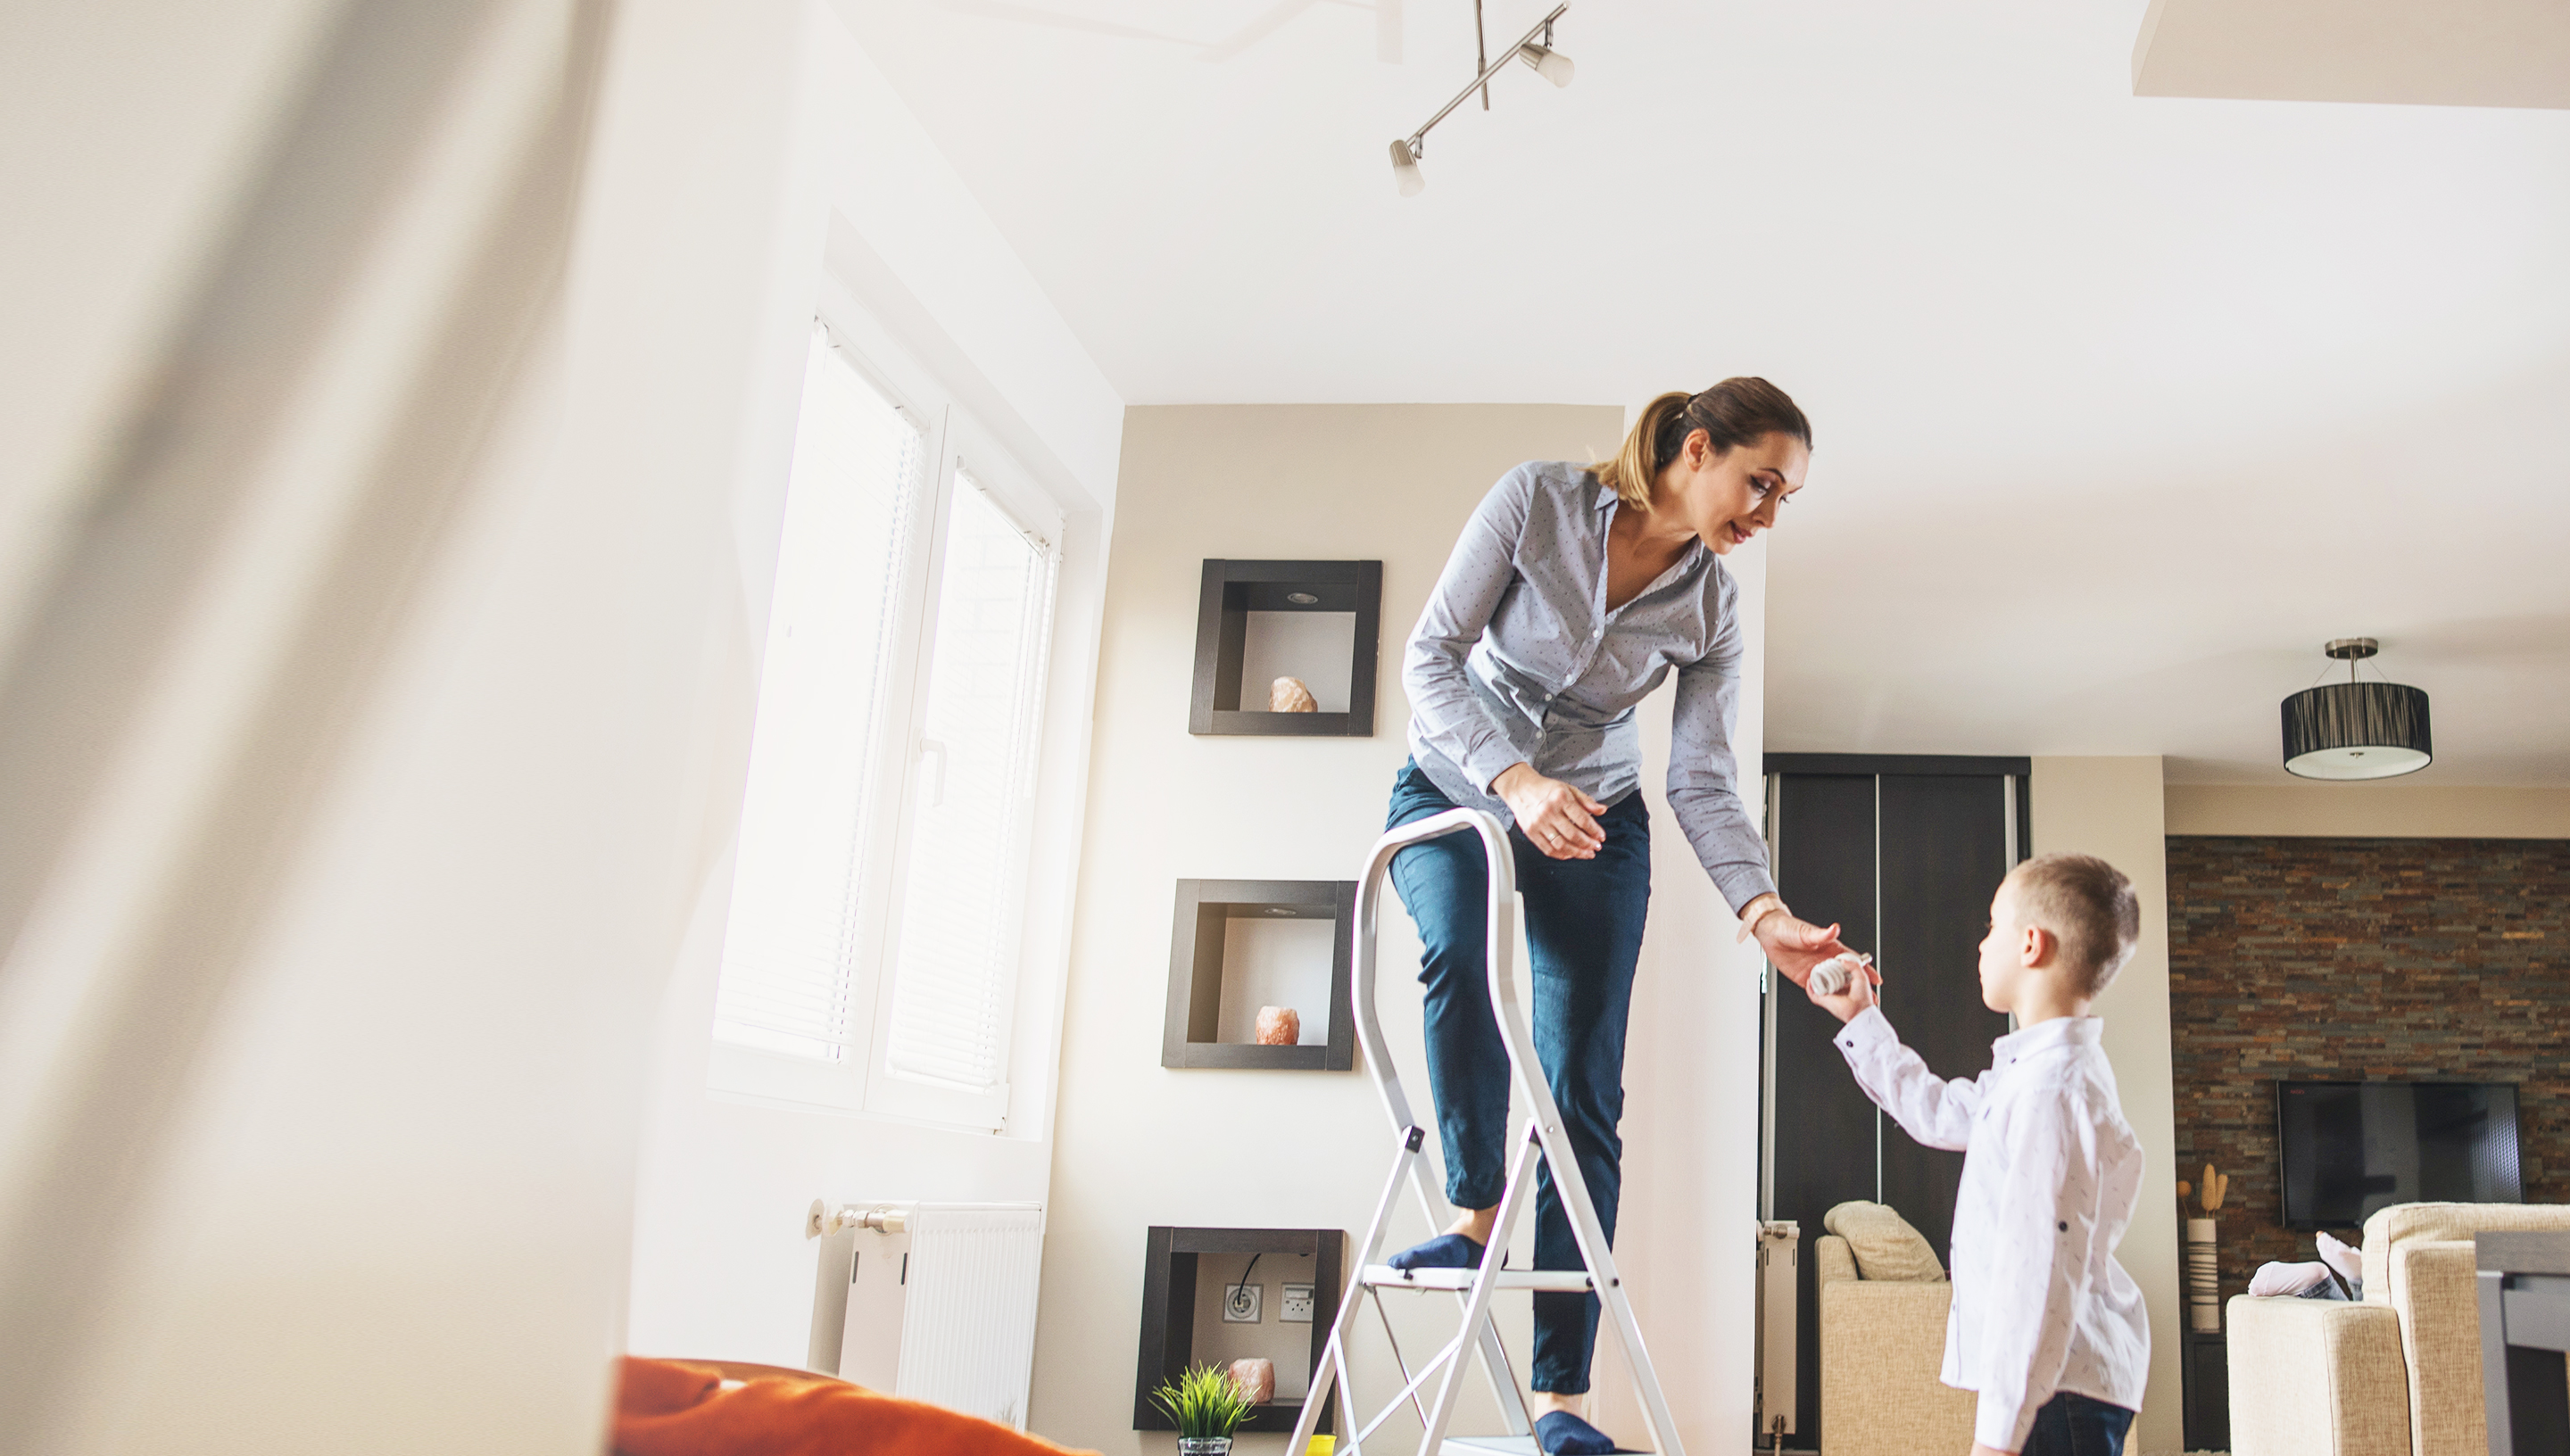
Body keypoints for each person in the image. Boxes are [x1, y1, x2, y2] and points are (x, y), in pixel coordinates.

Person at [1385, 380, 1852, 1456]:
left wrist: (1765, 912)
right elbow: (1429, 660)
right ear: (1698, 450)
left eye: (1786, 497)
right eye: (1761, 483)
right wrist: (1511, 779)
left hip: (1598, 816)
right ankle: (1471, 1215)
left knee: (1581, 1080)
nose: (1769, 514)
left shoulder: (1714, 607)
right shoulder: (1534, 502)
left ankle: (1564, 1402)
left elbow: (1701, 777)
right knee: (1460, 950)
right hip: (1456, 787)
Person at [1807, 852, 2151, 1456]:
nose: (1981, 943)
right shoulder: (2029, 1074)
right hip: (2056, 1383)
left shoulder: (2054, 1092)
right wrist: (1862, 1017)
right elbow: (1934, 1111)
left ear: (2030, 945)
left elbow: (2039, 1275)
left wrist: (1996, 1438)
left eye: (1993, 925)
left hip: (2061, 1388)